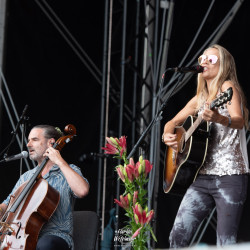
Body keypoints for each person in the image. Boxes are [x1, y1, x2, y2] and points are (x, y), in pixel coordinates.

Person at [162, 44, 249, 248]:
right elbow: (171, 122)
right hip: (201, 177)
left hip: (230, 177)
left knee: (225, 242)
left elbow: (239, 121)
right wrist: (167, 134)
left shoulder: (227, 88)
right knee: (177, 236)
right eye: (203, 58)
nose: (204, 62)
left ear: (223, 65)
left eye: (211, 59)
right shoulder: (199, 98)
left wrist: (218, 117)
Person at [0, 125, 89, 250]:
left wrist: (60, 162)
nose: (28, 144)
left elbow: (82, 191)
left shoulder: (69, 170)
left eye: (34, 140)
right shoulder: (26, 177)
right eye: (29, 139)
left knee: (45, 244)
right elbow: (7, 204)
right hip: (21, 235)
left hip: (54, 237)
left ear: (50, 143)